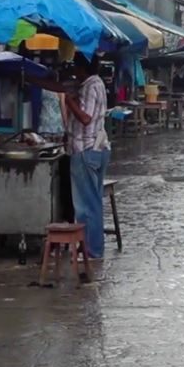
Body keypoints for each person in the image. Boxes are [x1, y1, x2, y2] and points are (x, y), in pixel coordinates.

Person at [66, 54, 110, 261]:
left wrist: (68, 100)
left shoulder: (90, 86)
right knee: (93, 202)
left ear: (82, 68)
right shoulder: (97, 84)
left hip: (86, 148)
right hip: (98, 148)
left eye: (76, 67)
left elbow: (85, 118)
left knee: (86, 205)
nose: (74, 71)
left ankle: (92, 250)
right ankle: (93, 248)